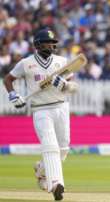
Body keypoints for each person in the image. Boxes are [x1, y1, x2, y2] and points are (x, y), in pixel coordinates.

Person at [3, 29, 79, 201]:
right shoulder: (26, 63)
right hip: (41, 109)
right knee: (50, 146)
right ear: (37, 44)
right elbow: (8, 79)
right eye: (47, 43)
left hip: (61, 107)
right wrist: (13, 95)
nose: (51, 45)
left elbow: (74, 87)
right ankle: (56, 185)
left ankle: (41, 170)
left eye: (53, 43)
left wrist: (65, 85)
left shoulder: (62, 62)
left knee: (63, 148)